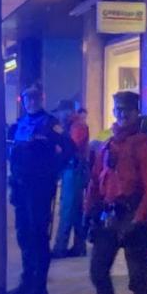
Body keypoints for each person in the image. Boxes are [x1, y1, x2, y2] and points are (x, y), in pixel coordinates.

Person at [84, 91, 147, 294]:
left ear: (136, 111)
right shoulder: (107, 144)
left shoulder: (144, 146)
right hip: (108, 216)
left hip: (132, 217)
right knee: (97, 272)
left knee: (138, 281)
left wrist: (140, 220)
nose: (122, 114)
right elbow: (95, 181)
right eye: (118, 109)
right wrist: (88, 212)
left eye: (127, 109)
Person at [7, 84, 75, 294]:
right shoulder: (21, 124)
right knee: (24, 235)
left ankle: (39, 288)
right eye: (28, 98)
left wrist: (52, 170)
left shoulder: (49, 123)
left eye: (35, 98)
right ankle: (26, 282)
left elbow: (68, 148)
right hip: (21, 187)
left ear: (42, 98)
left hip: (39, 188)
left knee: (38, 236)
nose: (31, 102)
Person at [51, 100, 91, 259]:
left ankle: (60, 247)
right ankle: (79, 246)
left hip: (74, 170)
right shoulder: (73, 125)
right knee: (75, 210)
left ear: (66, 112)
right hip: (72, 170)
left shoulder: (77, 126)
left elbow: (71, 147)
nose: (59, 116)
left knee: (68, 209)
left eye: (60, 112)